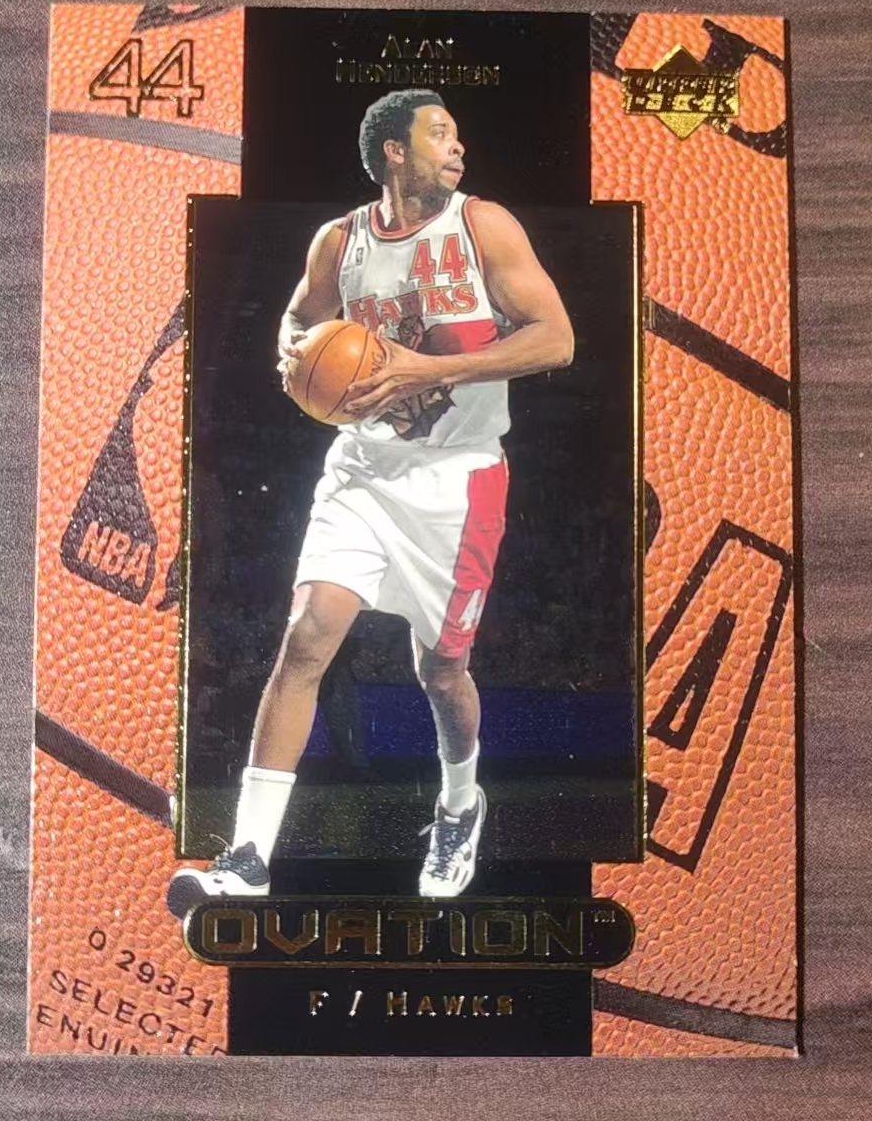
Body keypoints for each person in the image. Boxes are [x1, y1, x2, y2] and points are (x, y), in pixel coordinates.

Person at [174, 89, 573, 903]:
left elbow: (556, 339)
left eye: (457, 135)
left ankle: (459, 804)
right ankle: (247, 860)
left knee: (442, 673)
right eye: (439, 134)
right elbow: (296, 323)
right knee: (306, 638)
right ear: (394, 150)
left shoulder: (483, 227)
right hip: (362, 469)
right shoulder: (340, 242)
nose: (458, 147)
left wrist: (430, 369)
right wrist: (302, 366)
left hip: (458, 479)